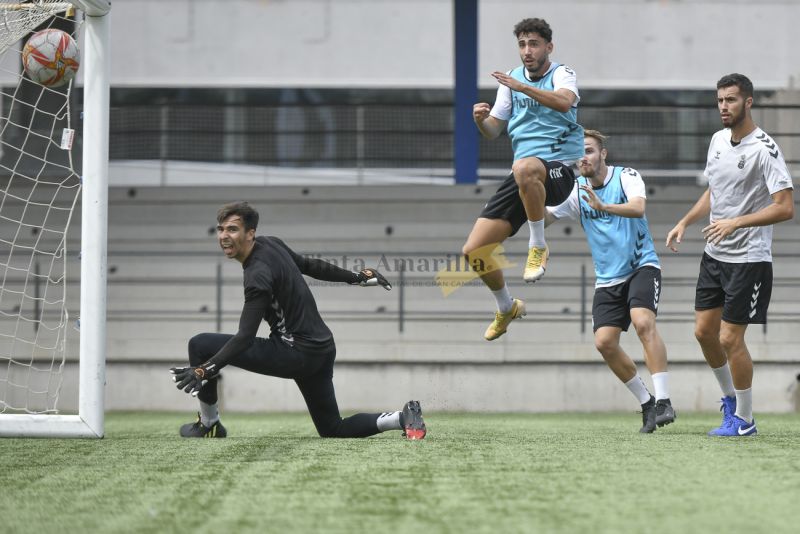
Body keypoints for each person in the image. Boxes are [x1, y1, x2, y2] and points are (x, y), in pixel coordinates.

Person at [170, 201, 427, 440]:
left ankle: (209, 423)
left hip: (294, 353)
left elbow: (245, 337)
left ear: (250, 233)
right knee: (332, 428)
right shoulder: (271, 243)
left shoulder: (257, 274)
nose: (224, 236)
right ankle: (402, 418)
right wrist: (356, 277)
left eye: (233, 229)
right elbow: (310, 265)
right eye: (220, 229)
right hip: (322, 349)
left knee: (200, 345)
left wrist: (204, 369)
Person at [666, 73, 794, 437]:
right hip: (714, 254)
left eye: (731, 100)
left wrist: (737, 222)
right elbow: (714, 190)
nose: (724, 106)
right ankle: (730, 403)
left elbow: (785, 207)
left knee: (729, 339)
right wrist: (686, 221)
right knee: (704, 332)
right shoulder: (718, 140)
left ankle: (746, 420)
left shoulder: (764, 149)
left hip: (749, 259)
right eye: (720, 100)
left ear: (748, 102)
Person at [545, 130, 676, 433]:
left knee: (643, 322)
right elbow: (544, 216)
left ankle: (665, 401)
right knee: (604, 343)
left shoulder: (626, 176)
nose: (584, 157)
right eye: (579, 153)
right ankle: (647, 403)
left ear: (603, 154)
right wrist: (538, 239)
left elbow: (638, 207)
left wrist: (604, 207)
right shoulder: (575, 190)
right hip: (607, 278)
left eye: (589, 150)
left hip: (640, 266)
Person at [466, 17, 583, 341]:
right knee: (474, 251)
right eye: (522, 44)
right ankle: (507, 306)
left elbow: (563, 102)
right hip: (525, 174)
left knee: (526, 168)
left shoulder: (562, 73)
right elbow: (493, 130)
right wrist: (480, 120)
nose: (527, 50)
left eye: (533, 44)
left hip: (560, 170)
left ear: (548, 47)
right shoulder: (511, 81)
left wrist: (522, 87)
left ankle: (538, 245)